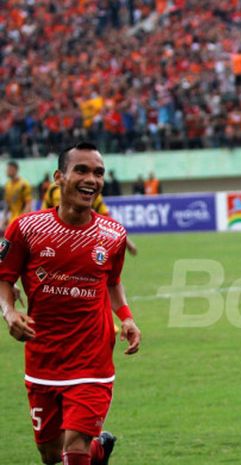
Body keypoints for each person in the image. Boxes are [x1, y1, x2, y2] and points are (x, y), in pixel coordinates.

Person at [0, 142, 142, 465]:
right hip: (43, 358)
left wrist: (128, 318)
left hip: (92, 358)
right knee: (51, 454)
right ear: (58, 177)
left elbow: (113, 281)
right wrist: (9, 313)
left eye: (98, 172)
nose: (91, 178)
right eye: (81, 170)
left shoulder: (113, 235)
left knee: (74, 448)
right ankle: (99, 450)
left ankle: (87, 449)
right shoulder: (26, 229)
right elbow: (4, 278)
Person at [42, 180, 138, 256]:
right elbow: (43, 218)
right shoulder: (54, 189)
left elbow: (108, 220)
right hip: (56, 242)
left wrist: (127, 243)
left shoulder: (91, 192)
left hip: (82, 243)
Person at [3, 160, 33, 232]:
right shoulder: (7, 185)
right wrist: (4, 219)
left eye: (9, 169)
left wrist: (22, 220)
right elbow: (7, 204)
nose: (7, 171)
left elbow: (28, 204)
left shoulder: (24, 185)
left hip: (21, 221)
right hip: (11, 221)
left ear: (15, 170)